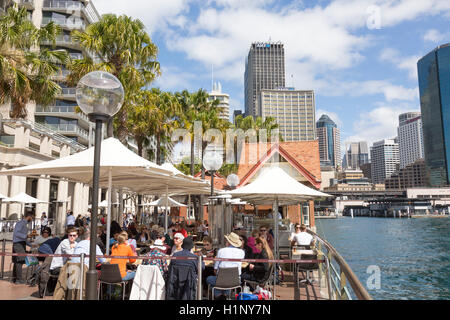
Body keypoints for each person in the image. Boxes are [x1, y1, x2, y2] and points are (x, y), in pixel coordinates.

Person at [206, 232, 245, 298]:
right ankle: (224, 296)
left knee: (209, 279)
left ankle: (219, 296)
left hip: (222, 279)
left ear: (228, 242)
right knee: (223, 283)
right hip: (235, 280)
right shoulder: (242, 252)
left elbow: (215, 269)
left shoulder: (221, 251)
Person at [12, 212, 34, 284]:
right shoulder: (20, 223)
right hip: (18, 244)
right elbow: (16, 233)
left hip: (21, 244)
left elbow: (24, 239)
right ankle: (18, 279)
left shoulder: (24, 224)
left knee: (17, 261)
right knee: (19, 261)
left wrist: (31, 245)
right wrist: (26, 236)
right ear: (29, 216)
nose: (32, 219)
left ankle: (15, 278)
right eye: (32, 217)